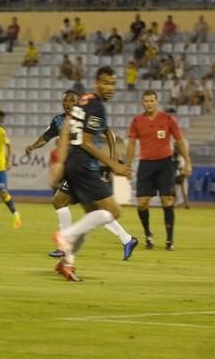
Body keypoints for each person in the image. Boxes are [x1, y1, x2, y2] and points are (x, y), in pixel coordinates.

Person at [25, 90, 138, 260]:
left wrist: (113, 157)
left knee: (84, 207)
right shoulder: (58, 120)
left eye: (72, 101)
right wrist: (33, 146)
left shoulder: (86, 115)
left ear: (78, 103)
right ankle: (126, 239)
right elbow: (46, 137)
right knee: (90, 209)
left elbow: (109, 133)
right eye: (65, 101)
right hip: (74, 169)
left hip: (85, 168)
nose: (68, 104)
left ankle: (65, 244)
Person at [50, 67, 134, 281]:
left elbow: (68, 127)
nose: (110, 88)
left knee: (91, 217)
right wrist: (114, 165)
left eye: (113, 83)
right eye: (105, 83)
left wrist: (61, 161)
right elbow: (87, 142)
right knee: (113, 211)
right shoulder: (96, 106)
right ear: (96, 83)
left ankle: (67, 263)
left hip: (72, 162)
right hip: (84, 165)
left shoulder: (84, 101)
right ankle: (65, 236)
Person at [125, 90, 192, 251]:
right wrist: (127, 165)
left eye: (151, 100)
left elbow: (180, 141)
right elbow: (132, 145)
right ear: (143, 103)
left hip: (165, 164)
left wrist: (188, 161)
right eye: (146, 101)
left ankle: (169, 240)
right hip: (145, 164)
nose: (149, 103)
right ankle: (148, 234)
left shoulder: (168, 119)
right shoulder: (137, 121)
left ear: (157, 102)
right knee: (142, 203)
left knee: (167, 200)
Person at [173, 144, 190, 209]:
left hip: (180, 174)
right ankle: (176, 203)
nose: (176, 150)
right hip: (175, 174)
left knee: (182, 190)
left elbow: (182, 166)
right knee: (175, 190)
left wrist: (182, 172)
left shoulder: (181, 157)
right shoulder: (174, 156)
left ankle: (186, 203)